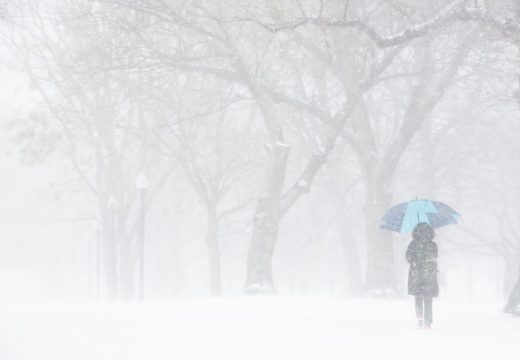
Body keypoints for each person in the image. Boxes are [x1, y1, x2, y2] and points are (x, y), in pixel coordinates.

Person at [406, 222, 438, 329]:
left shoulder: (413, 244)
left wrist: (414, 261)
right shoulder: (433, 244)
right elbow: (434, 257)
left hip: (416, 274)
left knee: (418, 297)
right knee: (428, 298)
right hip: (429, 275)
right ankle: (428, 322)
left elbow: (408, 257)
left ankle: (419, 318)